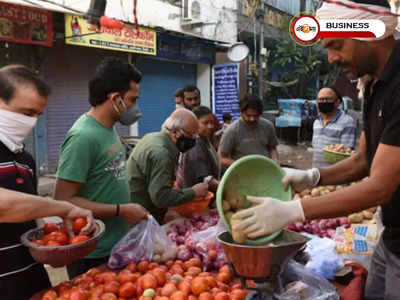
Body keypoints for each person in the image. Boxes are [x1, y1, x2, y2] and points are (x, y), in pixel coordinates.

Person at [233, 1, 400, 299]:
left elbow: (379, 188)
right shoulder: (373, 85)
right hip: (391, 238)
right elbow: (363, 160)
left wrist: (293, 211)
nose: (332, 58)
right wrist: (311, 177)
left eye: (336, 45)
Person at [0, 65, 91, 299]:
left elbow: (32, 214)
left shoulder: (25, 158)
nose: (31, 123)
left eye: (37, 115)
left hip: (30, 281)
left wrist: (51, 248)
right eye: (26, 112)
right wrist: (64, 207)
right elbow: (4, 206)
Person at [54, 57, 148, 278]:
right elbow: (63, 200)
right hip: (91, 252)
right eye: (132, 100)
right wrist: (121, 210)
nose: (136, 107)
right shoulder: (83, 137)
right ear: (115, 98)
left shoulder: (109, 128)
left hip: (116, 244)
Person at [126, 109, 209, 223]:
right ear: (175, 132)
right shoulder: (162, 154)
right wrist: (193, 192)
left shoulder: (152, 137)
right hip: (140, 217)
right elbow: (161, 197)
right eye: (191, 136)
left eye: (196, 136)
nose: (193, 141)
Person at [218, 94, 279, 167]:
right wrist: (243, 165)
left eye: (255, 116)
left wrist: (275, 162)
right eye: (248, 115)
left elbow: (272, 148)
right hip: (242, 173)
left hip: (264, 170)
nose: (252, 119)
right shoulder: (231, 131)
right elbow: (221, 157)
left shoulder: (268, 126)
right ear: (241, 112)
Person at [176, 106, 220, 193]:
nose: (210, 126)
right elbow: (206, 179)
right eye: (205, 123)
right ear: (195, 124)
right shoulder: (195, 145)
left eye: (212, 122)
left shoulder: (205, 140)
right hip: (196, 200)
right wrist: (225, 187)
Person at [313, 86, 356, 167]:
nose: (324, 102)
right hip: (317, 173)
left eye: (328, 99)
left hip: (335, 175)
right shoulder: (316, 122)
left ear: (337, 102)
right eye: (320, 99)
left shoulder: (347, 122)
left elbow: (346, 153)